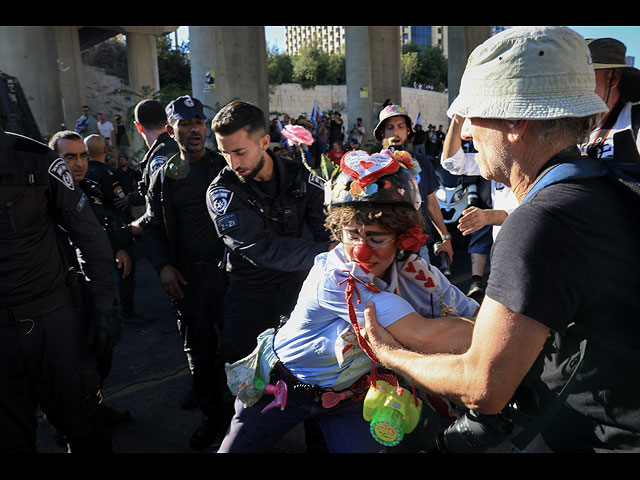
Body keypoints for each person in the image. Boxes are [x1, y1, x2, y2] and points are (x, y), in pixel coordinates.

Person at [363, 26, 640, 453]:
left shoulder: (540, 223)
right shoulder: (601, 185)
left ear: (516, 122)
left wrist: (389, 355)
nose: (468, 131)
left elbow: (482, 388)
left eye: (474, 115)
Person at [217, 147, 479, 453]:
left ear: (404, 237)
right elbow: (425, 335)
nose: (360, 251)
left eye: (376, 239)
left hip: (348, 398)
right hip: (284, 387)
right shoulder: (336, 279)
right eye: (351, 235)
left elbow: (470, 313)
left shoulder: (420, 276)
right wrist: (510, 333)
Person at [208, 100, 333, 452]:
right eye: (224, 154)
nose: (232, 163)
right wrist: (328, 256)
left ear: (264, 142)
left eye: (239, 152)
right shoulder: (222, 191)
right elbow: (260, 248)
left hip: (299, 293)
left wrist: (332, 251)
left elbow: (326, 228)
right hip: (250, 297)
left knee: (313, 377)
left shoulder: (302, 176)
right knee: (245, 385)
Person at [0, 127, 118, 453]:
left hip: (53, 326)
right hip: (32, 332)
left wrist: (104, 307)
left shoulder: (37, 158)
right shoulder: (38, 157)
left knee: (84, 428)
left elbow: (90, 237)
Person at [145, 95, 228, 450]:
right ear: (170, 129)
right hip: (187, 279)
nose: (193, 129)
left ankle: (246, 415)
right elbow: (152, 225)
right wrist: (163, 265)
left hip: (228, 275)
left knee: (240, 347)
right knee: (199, 349)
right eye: (184, 123)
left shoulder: (222, 166)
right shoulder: (164, 175)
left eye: (198, 122)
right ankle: (213, 417)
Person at [49, 130, 134, 426]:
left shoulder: (94, 189)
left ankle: (94, 409)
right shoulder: (44, 199)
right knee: (73, 364)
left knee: (102, 355)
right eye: (69, 157)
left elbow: (107, 225)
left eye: (83, 155)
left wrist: (120, 247)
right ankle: (73, 422)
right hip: (62, 294)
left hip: (97, 289)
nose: (78, 163)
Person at [440, 114, 519, 303]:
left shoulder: (534, 159)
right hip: (503, 253)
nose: (471, 136)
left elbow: (536, 212)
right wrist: (457, 118)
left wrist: (490, 217)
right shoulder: (495, 158)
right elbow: (452, 162)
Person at [374, 104, 454, 265]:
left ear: (408, 131)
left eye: (400, 127)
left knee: (423, 289)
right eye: (390, 128)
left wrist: (445, 237)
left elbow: (431, 204)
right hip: (384, 245)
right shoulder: (372, 164)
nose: (395, 132)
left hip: (419, 244)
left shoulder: (423, 162)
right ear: (382, 133)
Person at [84, 134, 147, 326]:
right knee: (126, 272)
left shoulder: (85, 174)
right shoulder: (107, 174)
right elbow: (119, 202)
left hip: (94, 231)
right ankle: (127, 313)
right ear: (105, 150)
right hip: (115, 229)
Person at [582, 37, 640, 158]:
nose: (575, 86)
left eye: (584, 77)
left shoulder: (635, 122)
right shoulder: (564, 128)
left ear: (613, 79)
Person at [129, 99, 180, 237]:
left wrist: (127, 231)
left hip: (169, 241)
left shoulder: (158, 158)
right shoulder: (178, 146)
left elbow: (156, 213)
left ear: (138, 127)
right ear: (166, 121)